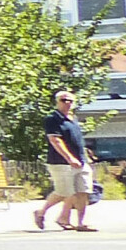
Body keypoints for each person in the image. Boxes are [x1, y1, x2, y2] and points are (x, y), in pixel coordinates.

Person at [37, 91, 95, 232]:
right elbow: (55, 140)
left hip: (81, 161)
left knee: (83, 191)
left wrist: (85, 155)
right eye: (64, 100)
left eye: (70, 100)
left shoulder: (73, 118)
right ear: (57, 101)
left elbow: (75, 140)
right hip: (60, 163)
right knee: (64, 192)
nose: (67, 103)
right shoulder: (52, 118)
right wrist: (69, 158)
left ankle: (81, 223)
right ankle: (41, 212)